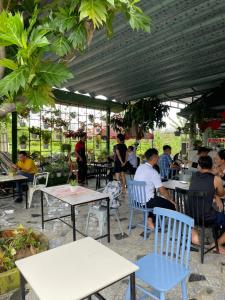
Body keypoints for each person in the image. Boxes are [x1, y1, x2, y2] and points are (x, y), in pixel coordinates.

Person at [189, 156, 225, 254]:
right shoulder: (216, 179)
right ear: (212, 165)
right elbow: (222, 193)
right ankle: (216, 244)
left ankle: (194, 233)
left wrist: (214, 195)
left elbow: (202, 188)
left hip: (192, 216)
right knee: (220, 214)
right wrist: (217, 195)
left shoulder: (194, 176)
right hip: (207, 218)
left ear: (199, 166)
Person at [134, 148, 176, 229]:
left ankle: (150, 218)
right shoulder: (153, 172)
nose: (158, 158)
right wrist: (170, 200)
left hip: (136, 200)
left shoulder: (140, 167)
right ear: (154, 157)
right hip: (146, 202)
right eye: (157, 157)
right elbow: (162, 190)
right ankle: (153, 221)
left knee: (158, 201)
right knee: (171, 206)